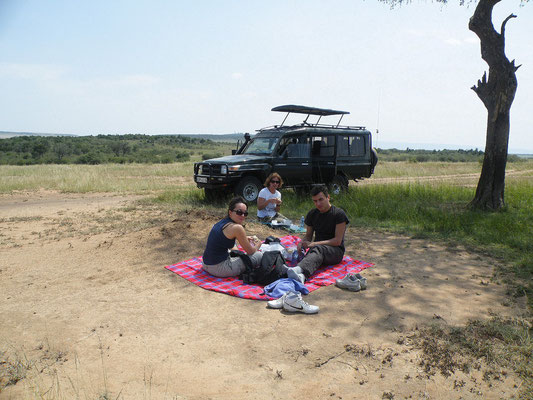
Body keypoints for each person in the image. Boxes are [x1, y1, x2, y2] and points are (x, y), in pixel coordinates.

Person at [287, 185, 349, 283]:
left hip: (335, 252)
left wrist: (315, 244)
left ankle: (298, 269)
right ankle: (302, 277)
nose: (318, 204)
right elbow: (308, 236)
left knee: (318, 249)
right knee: (315, 250)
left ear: (328, 197)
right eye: (315, 201)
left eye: (321, 199)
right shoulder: (312, 214)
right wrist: (302, 243)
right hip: (317, 250)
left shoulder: (339, 214)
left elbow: (337, 241)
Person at [202, 197, 263, 278]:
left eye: (245, 213)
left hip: (206, 264)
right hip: (219, 268)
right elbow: (250, 252)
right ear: (230, 212)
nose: (242, 216)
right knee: (259, 255)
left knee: (237, 252)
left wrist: (243, 238)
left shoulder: (222, 223)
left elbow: (229, 244)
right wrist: (259, 244)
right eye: (239, 212)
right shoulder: (237, 228)